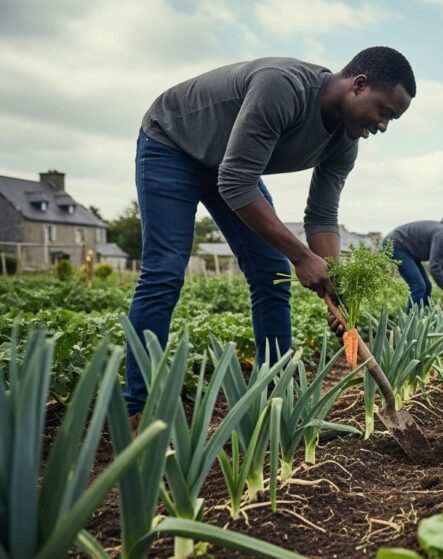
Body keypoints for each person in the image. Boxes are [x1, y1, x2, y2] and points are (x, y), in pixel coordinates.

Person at [123, 47, 416, 422]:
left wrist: (334, 283)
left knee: (270, 275)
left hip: (230, 164)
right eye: (385, 112)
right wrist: (301, 257)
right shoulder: (283, 87)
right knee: (164, 272)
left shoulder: (345, 142)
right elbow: (236, 182)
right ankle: (138, 409)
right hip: (172, 143)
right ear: (359, 86)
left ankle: (276, 403)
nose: (383, 126)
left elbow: (323, 216)